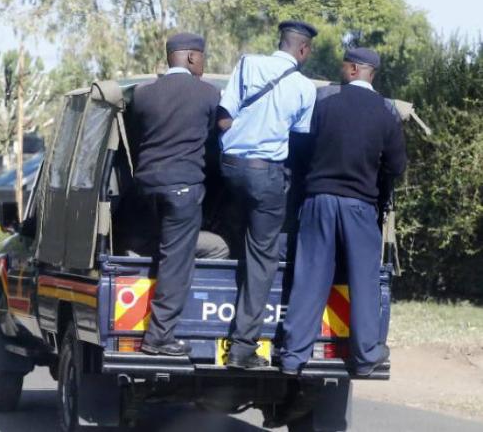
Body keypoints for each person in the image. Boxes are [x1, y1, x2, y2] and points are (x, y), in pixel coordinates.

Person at [279, 48, 407, 376]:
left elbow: (298, 151)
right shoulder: (386, 112)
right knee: (363, 280)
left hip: (318, 200)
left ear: (352, 69)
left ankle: (293, 357)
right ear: (371, 74)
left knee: (310, 278)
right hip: (360, 207)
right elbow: (397, 165)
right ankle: (365, 356)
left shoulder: (322, 102)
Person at [217, 21, 318, 369]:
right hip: (266, 175)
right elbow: (299, 139)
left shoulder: (247, 63)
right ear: (303, 50)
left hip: (229, 168)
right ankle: (243, 348)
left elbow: (223, 116)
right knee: (263, 257)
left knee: (229, 225)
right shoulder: (305, 88)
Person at [130, 32, 220, 356]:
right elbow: (216, 134)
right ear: (194, 58)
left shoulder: (143, 95)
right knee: (176, 261)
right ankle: (159, 337)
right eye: (203, 59)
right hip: (183, 189)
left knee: (159, 246)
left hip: (147, 188)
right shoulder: (208, 94)